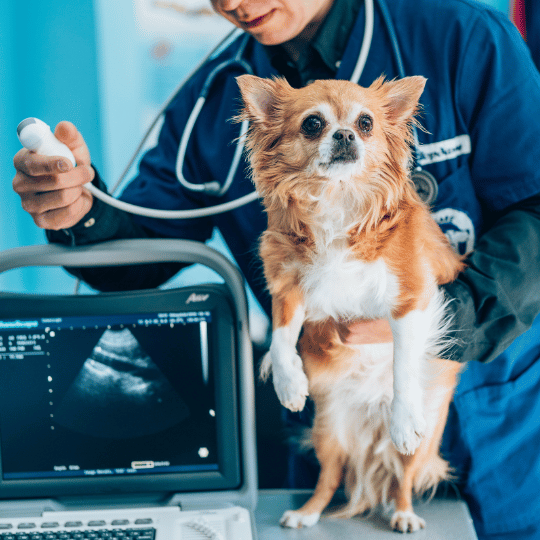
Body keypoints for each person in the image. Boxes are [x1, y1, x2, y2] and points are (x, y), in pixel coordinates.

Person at [11, 0, 540, 538]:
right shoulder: (212, 100)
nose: (234, 4)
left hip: (492, 417)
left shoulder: (462, 38)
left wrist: (445, 317)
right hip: (332, 413)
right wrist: (84, 212)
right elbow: (141, 255)